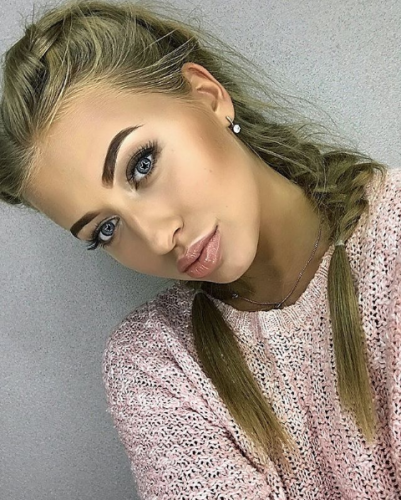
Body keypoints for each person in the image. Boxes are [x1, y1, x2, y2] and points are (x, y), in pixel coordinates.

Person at [0, 0, 400, 498]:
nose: (155, 237)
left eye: (141, 165)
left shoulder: (392, 235)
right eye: (105, 229)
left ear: (208, 97)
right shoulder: (156, 365)